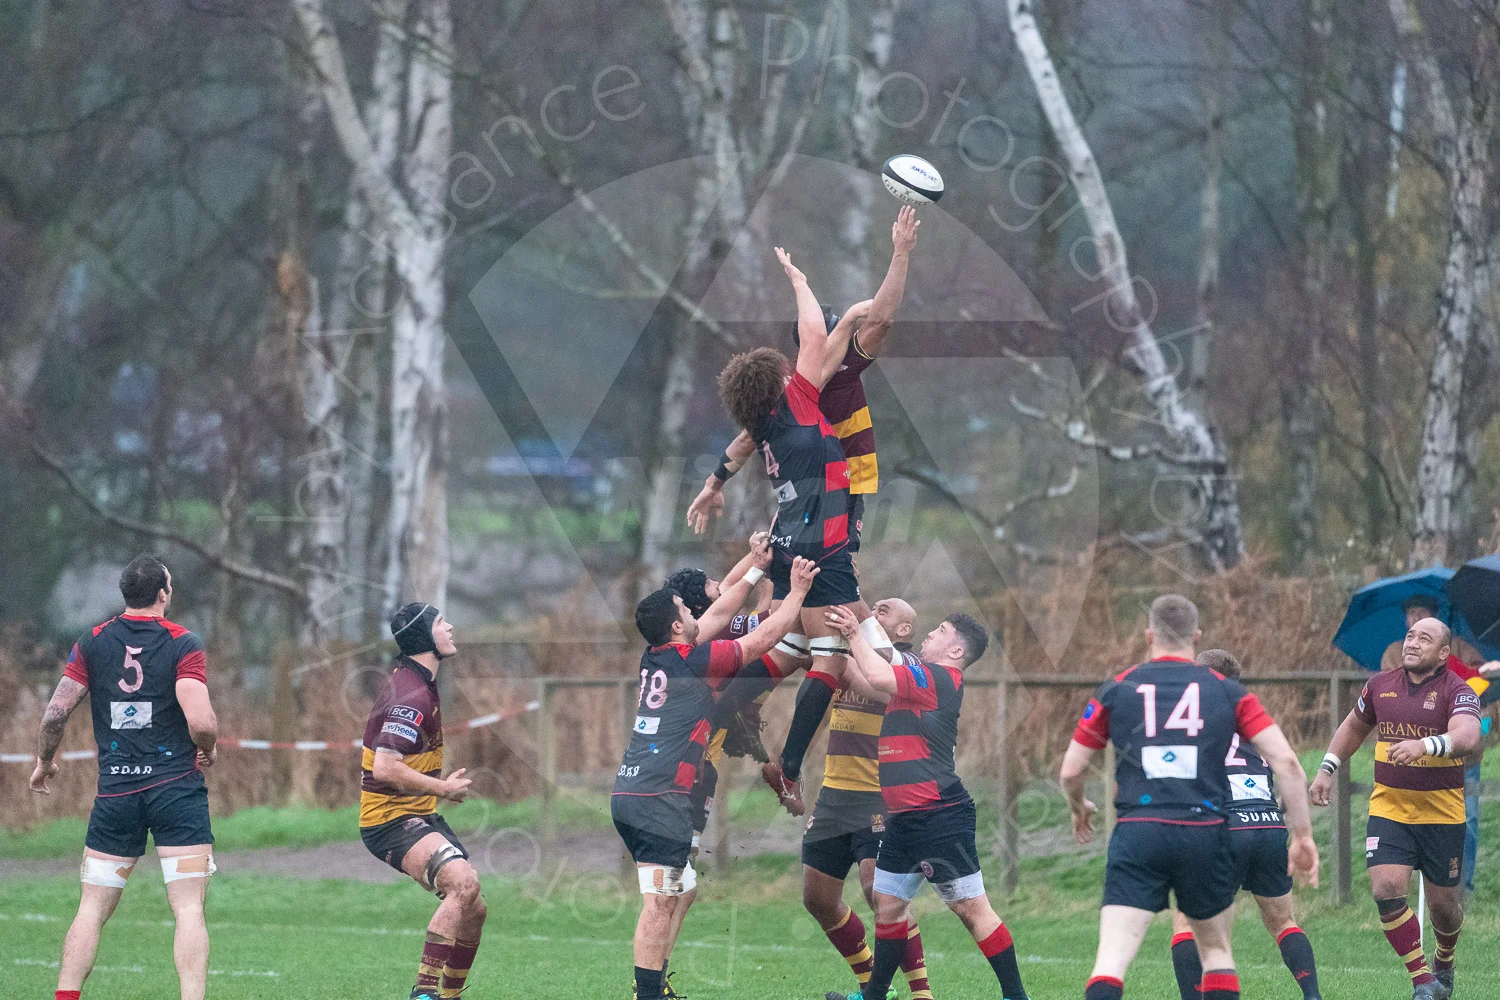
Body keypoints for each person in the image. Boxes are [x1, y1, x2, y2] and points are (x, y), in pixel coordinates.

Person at [694, 211, 921, 813]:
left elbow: (745, 440)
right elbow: (822, 326)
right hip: (823, 537)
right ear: (787, 373)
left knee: (791, 647)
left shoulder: (765, 416)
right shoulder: (805, 389)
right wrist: (798, 282)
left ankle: (720, 713)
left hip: (792, 533)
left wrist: (713, 483)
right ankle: (789, 767)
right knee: (833, 653)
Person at [1060, 595, 1318, 1000]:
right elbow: (1286, 762)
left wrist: (1079, 809)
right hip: (1204, 831)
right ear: (1196, 637)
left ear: (1148, 635)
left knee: (1111, 959)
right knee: (1216, 951)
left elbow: (1072, 770)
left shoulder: (1118, 687)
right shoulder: (1227, 691)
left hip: (1138, 831)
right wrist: (1302, 835)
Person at [614, 548, 820, 1000]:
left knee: (679, 889)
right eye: (687, 610)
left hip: (635, 792)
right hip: (660, 798)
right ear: (676, 626)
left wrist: (756, 565)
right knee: (662, 899)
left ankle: (653, 989)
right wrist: (800, 591)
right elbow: (764, 636)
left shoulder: (659, 655)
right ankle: (647, 994)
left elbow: (724, 606)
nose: (696, 612)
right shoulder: (696, 662)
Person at [29, 554, 219, 1000]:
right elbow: (204, 723)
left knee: (91, 909)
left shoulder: (93, 640)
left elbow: (56, 711)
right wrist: (207, 749)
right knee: (188, 908)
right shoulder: (183, 642)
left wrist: (45, 759)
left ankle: (65, 996)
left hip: (116, 793)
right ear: (162, 594)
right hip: (176, 791)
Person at [823, 604, 1031, 1000]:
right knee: (888, 904)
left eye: (940, 630)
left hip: (938, 816)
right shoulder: (919, 673)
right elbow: (884, 663)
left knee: (972, 910)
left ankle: (1017, 996)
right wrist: (858, 619)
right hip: (903, 819)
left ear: (956, 652)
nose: (931, 633)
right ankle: (875, 997)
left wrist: (853, 634)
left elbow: (880, 672)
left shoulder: (940, 676)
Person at [1311, 616, 1482, 1000]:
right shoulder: (1379, 685)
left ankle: (1445, 957)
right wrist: (1327, 769)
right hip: (1390, 809)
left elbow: (1468, 736)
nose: (1413, 642)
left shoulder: (1458, 689)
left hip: (1442, 815)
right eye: (1409, 635)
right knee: (1386, 889)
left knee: (1444, 910)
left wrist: (1426, 745)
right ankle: (1423, 980)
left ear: (1443, 653)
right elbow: (1353, 728)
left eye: (1425, 638)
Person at [1166, 649, 1322, 1000]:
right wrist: (1299, 830)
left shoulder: (1188, 720)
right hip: (1267, 825)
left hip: (1221, 828)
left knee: (1186, 924)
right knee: (1283, 921)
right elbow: (1289, 766)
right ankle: (1313, 996)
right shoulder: (1254, 720)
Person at [358, 603, 486, 1000]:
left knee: (475, 909)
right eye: (441, 622)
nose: (451, 626)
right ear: (425, 638)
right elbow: (384, 768)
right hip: (389, 820)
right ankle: (425, 993)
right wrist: (443, 789)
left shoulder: (419, 681)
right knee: (462, 883)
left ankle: (449, 996)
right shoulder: (410, 695)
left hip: (415, 814)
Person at [1382, 595, 1495, 897]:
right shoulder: (1395, 652)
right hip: (1412, 756)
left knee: (1466, 821)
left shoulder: (1460, 648)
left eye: (1422, 613)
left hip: (1461, 757)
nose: (1415, 619)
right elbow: (1397, 685)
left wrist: (1458, 670)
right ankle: (1406, 888)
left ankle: (1462, 890)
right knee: (1406, 822)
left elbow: (1482, 684)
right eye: (1410, 615)